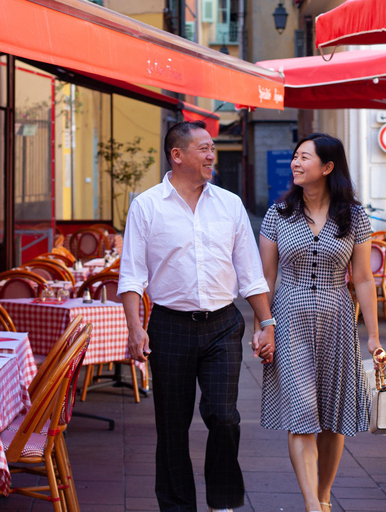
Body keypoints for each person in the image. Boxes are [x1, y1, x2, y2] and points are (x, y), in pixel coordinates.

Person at [118, 120, 276, 512]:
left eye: (212, 149)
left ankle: (222, 502)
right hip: (169, 326)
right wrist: (136, 328)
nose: (212, 155)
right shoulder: (148, 205)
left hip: (223, 325)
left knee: (223, 416)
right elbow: (131, 275)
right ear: (177, 155)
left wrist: (267, 323)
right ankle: (177, 506)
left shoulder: (229, 204)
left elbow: (250, 273)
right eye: (204, 148)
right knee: (172, 426)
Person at [255, 133, 384, 512]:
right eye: (295, 156)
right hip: (290, 319)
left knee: (333, 418)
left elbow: (362, 278)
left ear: (327, 167)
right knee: (302, 413)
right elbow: (265, 278)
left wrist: (373, 336)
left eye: (304, 158)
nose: (295, 163)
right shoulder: (277, 214)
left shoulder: (355, 217)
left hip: (338, 321)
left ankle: (324, 498)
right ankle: (312, 504)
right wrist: (264, 324)